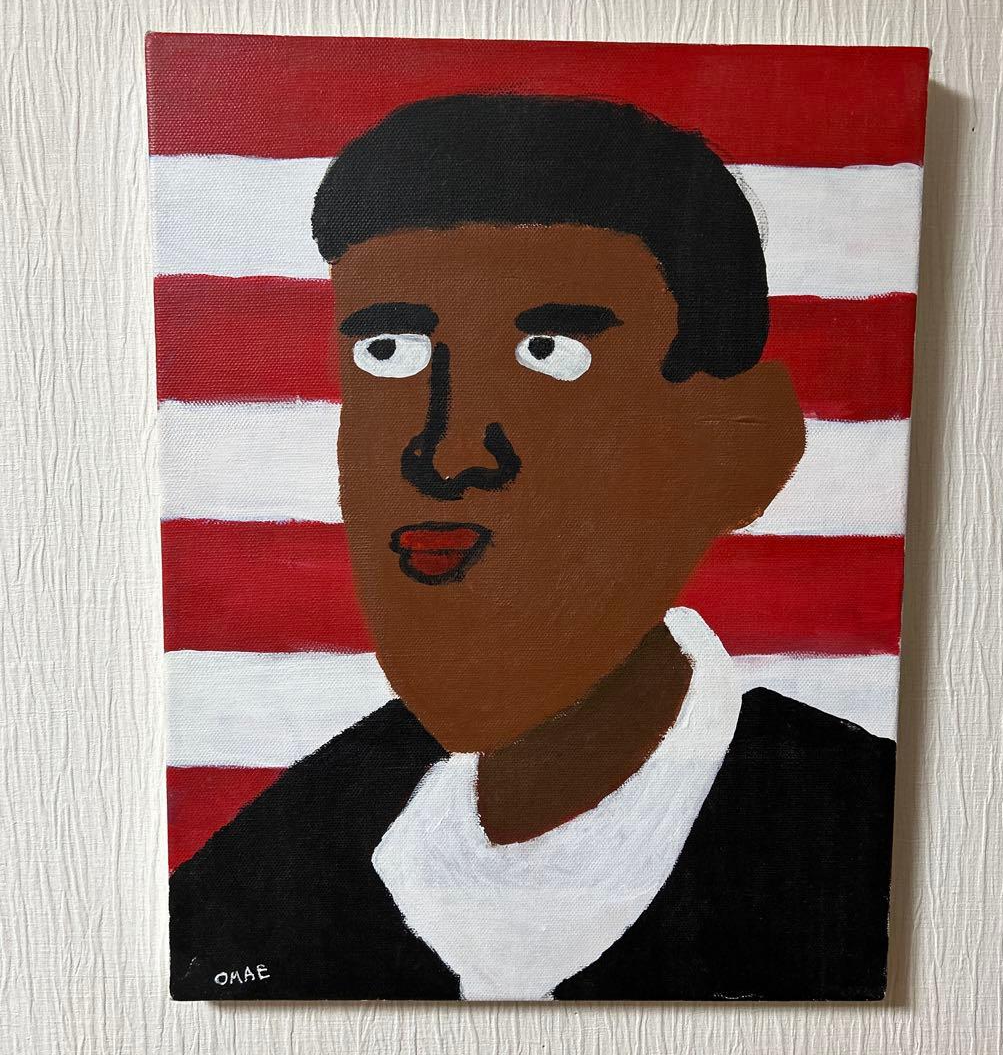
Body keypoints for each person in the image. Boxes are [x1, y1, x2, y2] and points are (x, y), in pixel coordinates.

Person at [170, 94, 895, 1001]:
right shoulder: (249, 887)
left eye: (549, 352)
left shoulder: (864, 845)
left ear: (740, 444)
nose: (446, 451)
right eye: (389, 352)